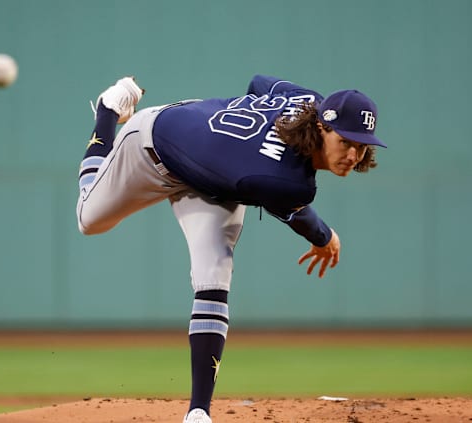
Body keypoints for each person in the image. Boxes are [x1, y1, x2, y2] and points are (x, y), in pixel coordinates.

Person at [76, 75, 387, 423]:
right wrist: (324, 236)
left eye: (361, 145)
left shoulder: (308, 100)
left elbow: (260, 83)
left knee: (215, 273)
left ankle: (198, 412)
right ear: (320, 127)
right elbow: (299, 216)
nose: (353, 154)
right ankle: (109, 108)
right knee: (89, 218)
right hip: (153, 145)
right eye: (345, 141)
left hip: (213, 175)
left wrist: (238, 142)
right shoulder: (282, 180)